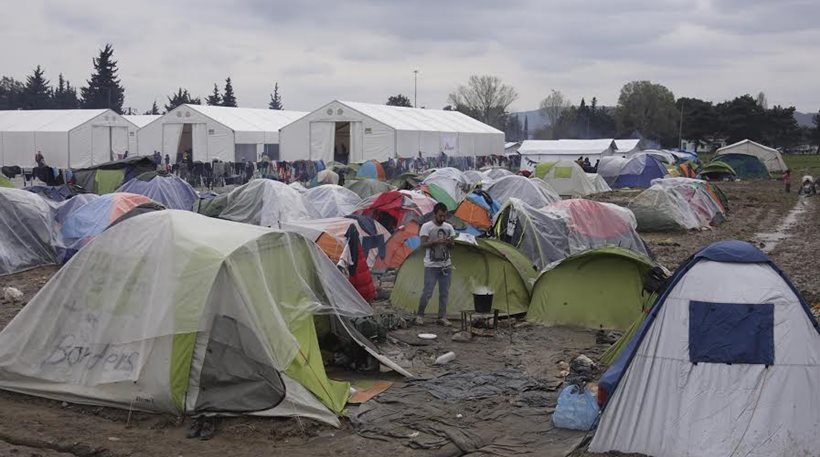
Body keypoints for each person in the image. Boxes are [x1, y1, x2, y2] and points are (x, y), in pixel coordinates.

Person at [416, 203, 456, 327]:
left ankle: (442, 317)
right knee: (427, 292)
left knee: (444, 292)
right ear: (435, 214)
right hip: (431, 265)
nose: (442, 218)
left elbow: (452, 245)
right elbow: (422, 244)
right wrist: (435, 242)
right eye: (440, 216)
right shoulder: (426, 227)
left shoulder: (448, 227)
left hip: (446, 265)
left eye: (444, 216)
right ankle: (420, 315)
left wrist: (449, 242)